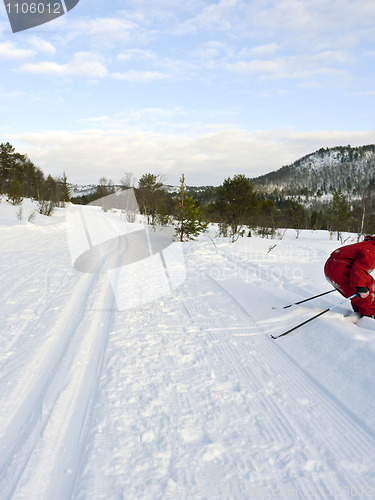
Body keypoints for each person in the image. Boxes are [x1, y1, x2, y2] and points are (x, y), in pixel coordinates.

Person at [324, 235, 375, 317]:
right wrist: (360, 286)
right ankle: (368, 315)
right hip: (339, 269)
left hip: (332, 267)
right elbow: (360, 269)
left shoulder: (369, 245)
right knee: (368, 289)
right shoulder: (372, 251)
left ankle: (360, 310)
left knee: (360, 288)